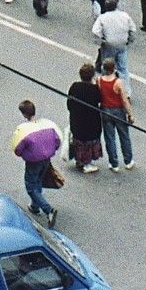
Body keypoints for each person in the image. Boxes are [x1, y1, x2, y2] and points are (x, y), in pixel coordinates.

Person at [10, 100, 61, 228]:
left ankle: (48, 209)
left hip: (33, 162)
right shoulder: (47, 125)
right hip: (46, 159)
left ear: (23, 114)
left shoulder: (24, 131)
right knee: (38, 181)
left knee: (31, 186)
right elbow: (57, 141)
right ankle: (34, 205)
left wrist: (25, 154)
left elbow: (18, 149)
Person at [96, 57, 134, 172]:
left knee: (109, 137)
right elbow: (124, 100)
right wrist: (130, 114)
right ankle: (128, 160)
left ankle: (114, 163)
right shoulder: (118, 82)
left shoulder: (99, 80)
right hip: (118, 111)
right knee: (124, 136)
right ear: (114, 68)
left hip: (105, 110)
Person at [65, 63, 104, 174]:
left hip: (77, 119)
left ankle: (79, 160)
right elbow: (100, 100)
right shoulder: (94, 89)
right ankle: (86, 163)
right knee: (88, 142)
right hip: (91, 122)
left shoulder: (75, 86)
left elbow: (69, 103)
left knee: (79, 140)